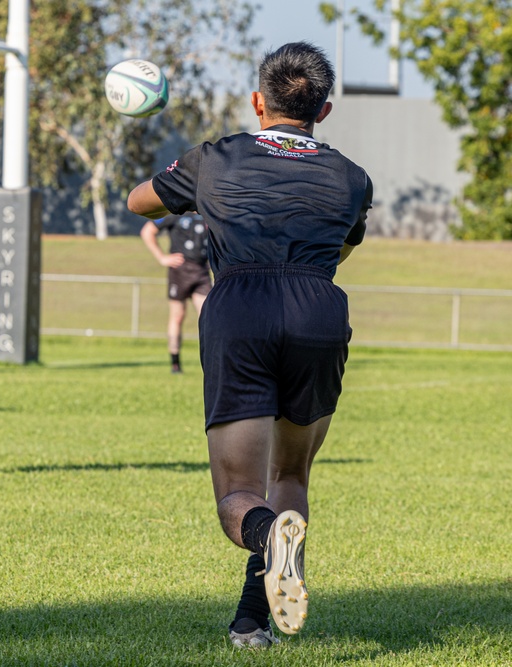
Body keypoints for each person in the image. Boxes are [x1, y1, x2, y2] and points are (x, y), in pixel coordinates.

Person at [127, 42, 372, 647]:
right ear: (325, 108)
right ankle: (251, 620)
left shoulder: (218, 157)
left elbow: (140, 202)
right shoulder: (352, 176)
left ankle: (267, 539)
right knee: (292, 474)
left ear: (258, 100)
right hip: (319, 309)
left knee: (239, 496)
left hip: (240, 308)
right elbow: (341, 249)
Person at [139, 212, 211, 373]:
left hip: (202, 271)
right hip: (180, 270)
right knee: (178, 316)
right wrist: (162, 257)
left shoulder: (207, 208)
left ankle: (211, 361)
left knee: (208, 317)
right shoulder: (175, 212)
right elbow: (147, 231)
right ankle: (175, 363)